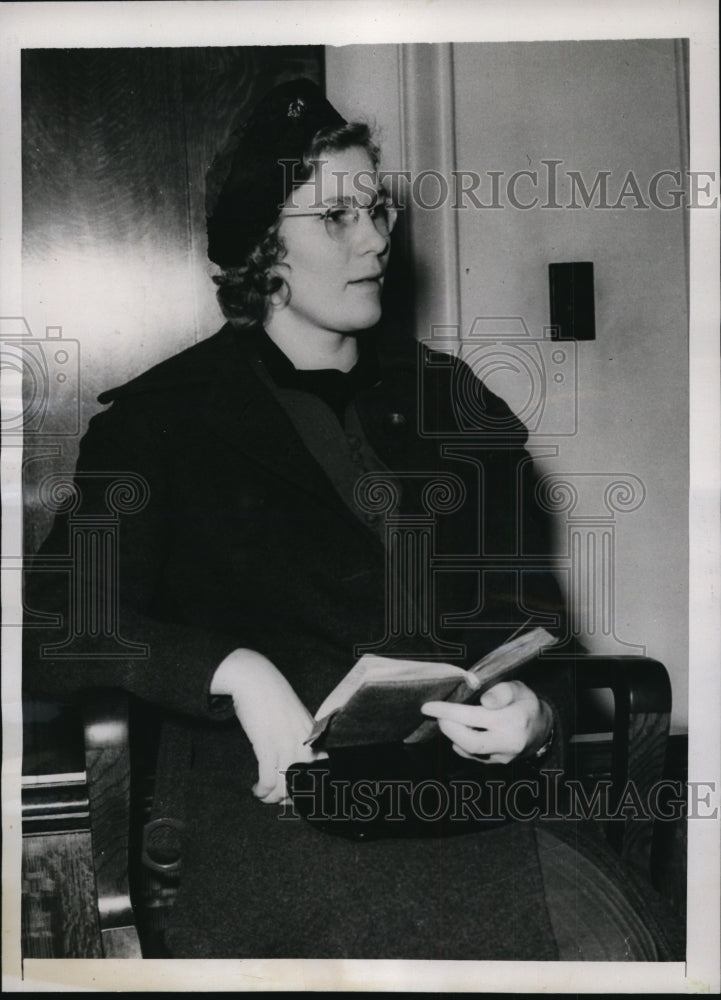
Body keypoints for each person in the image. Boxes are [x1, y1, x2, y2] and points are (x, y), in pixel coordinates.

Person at [23, 78, 683, 961]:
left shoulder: (457, 404)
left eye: (376, 209)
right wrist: (233, 670)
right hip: (276, 817)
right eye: (336, 218)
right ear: (263, 252)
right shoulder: (160, 423)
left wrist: (535, 714)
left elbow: (524, 622)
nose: (374, 237)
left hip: (471, 802)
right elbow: (55, 622)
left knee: (638, 949)